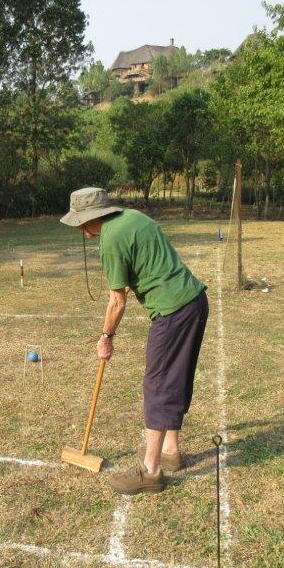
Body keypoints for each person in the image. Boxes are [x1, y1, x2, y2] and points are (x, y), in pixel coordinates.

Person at [60, 187, 209, 495]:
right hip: (194, 300)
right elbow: (147, 265)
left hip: (172, 312)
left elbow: (116, 301)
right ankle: (170, 450)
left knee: (158, 384)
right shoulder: (134, 217)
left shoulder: (110, 240)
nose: (79, 229)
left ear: (88, 219)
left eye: (79, 222)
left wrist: (106, 338)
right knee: (176, 379)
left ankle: (151, 471)